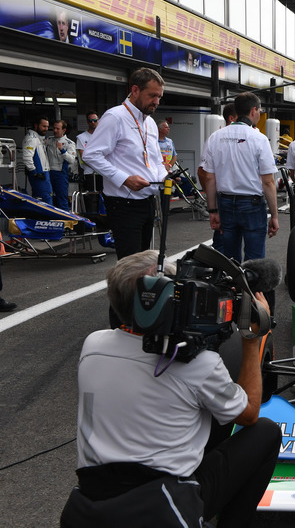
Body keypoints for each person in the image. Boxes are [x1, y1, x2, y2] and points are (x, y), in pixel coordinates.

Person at [59, 250, 280, 528]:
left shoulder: (93, 346)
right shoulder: (199, 365)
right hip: (159, 506)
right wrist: (252, 341)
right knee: (266, 432)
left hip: (91, 500)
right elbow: (248, 414)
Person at [83, 68, 168, 261]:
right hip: (124, 204)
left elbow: (155, 160)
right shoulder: (115, 117)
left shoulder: (150, 123)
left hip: (148, 202)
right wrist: (124, 179)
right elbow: (91, 155)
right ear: (135, 90)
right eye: (152, 95)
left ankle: (138, 292)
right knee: (130, 265)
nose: (156, 101)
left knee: (144, 263)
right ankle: (126, 292)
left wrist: (164, 176)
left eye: (159, 97)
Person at [201, 92, 279, 262]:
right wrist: (274, 215)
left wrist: (212, 210)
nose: (259, 114)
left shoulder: (216, 137)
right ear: (253, 111)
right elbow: (268, 181)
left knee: (230, 259)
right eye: (259, 110)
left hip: (225, 204)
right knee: (255, 259)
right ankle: (253, 288)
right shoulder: (259, 139)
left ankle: (233, 287)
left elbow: (209, 178)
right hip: (252, 204)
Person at [197, 103, 237, 252]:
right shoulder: (217, 138)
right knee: (223, 242)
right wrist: (212, 200)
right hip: (224, 199)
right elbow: (202, 172)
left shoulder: (250, 136)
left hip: (241, 200)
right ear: (231, 118)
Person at [46, 119, 78, 211]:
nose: (55, 130)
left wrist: (62, 150)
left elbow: (71, 160)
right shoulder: (49, 140)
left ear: (63, 130)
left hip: (60, 173)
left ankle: (65, 222)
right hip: (48, 172)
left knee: (62, 200)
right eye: (54, 128)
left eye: (58, 128)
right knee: (47, 198)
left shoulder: (70, 143)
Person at [22, 115, 52, 205]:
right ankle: (47, 219)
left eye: (47, 127)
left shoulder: (38, 137)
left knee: (39, 200)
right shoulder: (31, 138)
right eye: (43, 126)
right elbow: (27, 157)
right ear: (36, 125)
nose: (46, 129)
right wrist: (34, 172)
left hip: (42, 172)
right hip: (39, 173)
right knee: (45, 200)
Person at [77, 111, 102, 192]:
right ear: (87, 122)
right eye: (91, 121)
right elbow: (83, 157)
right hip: (89, 173)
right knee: (91, 199)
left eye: (95, 120)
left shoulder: (104, 135)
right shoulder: (81, 137)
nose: (93, 122)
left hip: (104, 172)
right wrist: (97, 166)